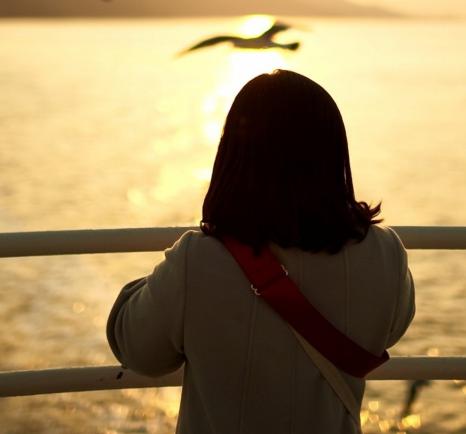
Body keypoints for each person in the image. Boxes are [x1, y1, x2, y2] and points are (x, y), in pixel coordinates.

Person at [107, 69, 415, 433]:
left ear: (234, 155)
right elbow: (388, 332)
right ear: (333, 154)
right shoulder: (386, 255)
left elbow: (141, 353)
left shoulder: (197, 260)